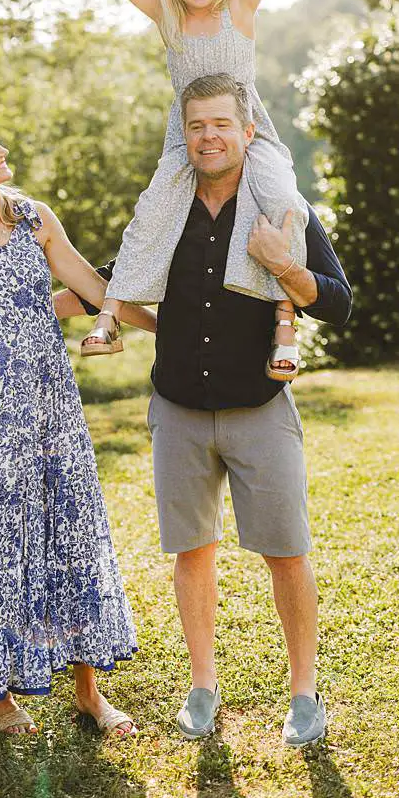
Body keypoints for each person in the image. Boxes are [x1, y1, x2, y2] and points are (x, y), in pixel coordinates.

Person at [58, 72, 352, 747]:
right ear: (183, 135)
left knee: (287, 551)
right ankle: (201, 687)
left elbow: (338, 301)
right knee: (192, 551)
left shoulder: (282, 207)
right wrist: (24, 311)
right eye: (196, 126)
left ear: (248, 132)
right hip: (179, 409)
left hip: (260, 407)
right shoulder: (166, 211)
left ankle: (304, 694)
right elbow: (113, 280)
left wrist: (286, 266)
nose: (208, 137)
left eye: (221, 124)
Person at [0, 114, 151, 738]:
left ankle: (88, 692)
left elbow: (90, 285)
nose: (2, 149)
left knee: (71, 527)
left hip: (51, 399)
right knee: (1, 538)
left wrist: (162, 320)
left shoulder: (33, 218)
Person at [44, 0, 322, 381]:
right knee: (154, 209)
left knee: (283, 198)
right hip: (188, 134)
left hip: (246, 128)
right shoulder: (166, 16)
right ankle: (109, 317)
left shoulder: (240, 9)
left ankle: (285, 326)